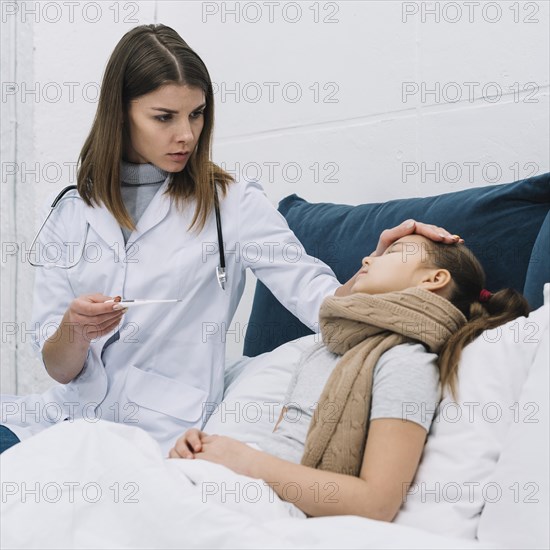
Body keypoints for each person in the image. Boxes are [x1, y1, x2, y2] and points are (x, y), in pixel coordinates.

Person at [0, 24, 461, 455]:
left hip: (158, 434)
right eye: (164, 117)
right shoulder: (70, 211)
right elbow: (58, 367)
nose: (186, 135)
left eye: (197, 114)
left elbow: (318, 300)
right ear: (120, 114)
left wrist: (372, 269)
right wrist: (74, 332)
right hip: (60, 419)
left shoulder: (231, 204)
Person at [168, 234, 529, 521]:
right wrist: (204, 449)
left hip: (261, 504)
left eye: (394, 252)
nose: (368, 258)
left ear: (434, 279)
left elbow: (377, 502)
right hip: (233, 487)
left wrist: (242, 460)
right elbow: (282, 447)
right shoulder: (325, 350)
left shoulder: (405, 363)